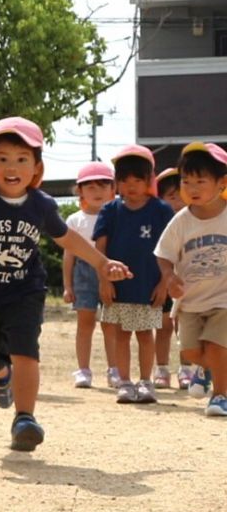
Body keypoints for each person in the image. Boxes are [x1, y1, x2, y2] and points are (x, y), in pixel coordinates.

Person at [0, 117, 131, 451]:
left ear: (36, 168)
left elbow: (67, 237)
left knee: (25, 350)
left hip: (24, 291)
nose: (12, 167)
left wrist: (102, 263)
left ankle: (24, 418)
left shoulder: (40, 204)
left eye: (21, 159)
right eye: (2, 158)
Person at [94, 146, 175, 404]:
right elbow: (101, 248)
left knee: (144, 334)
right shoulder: (110, 210)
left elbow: (171, 249)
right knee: (121, 334)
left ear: (149, 181)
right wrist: (104, 280)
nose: (131, 186)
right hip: (118, 287)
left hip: (148, 285)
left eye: (137, 180)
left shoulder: (161, 210)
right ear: (117, 183)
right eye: (124, 181)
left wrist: (165, 283)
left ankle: (146, 382)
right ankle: (125, 382)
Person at [154, 142, 227, 416]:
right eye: (186, 181)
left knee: (219, 348)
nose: (192, 188)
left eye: (200, 181)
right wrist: (169, 276)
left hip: (223, 298)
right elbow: (163, 253)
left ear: (221, 183)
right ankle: (203, 370)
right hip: (190, 301)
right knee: (193, 353)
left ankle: (220, 396)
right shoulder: (182, 221)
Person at [62, 162, 119, 389]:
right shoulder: (75, 220)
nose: (97, 192)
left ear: (113, 189)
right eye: (90, 187)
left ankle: (114, 369)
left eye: (103, 186)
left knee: (110, 324)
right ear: (80, 191)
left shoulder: (118, 216)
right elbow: (69, 256)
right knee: (85, 323)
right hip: (83, 273)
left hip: (110, 271)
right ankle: (83, 370)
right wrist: (68, 285)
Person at [153, 167, 193, 390]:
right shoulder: (160, 223)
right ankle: (161, 368)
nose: (177, 199)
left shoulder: (195, 219)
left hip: (189, 282)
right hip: (164, 282)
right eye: (170, 195)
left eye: (180, 192)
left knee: (185, 327)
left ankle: (187, 369)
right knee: (164, 325)